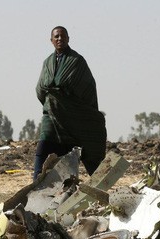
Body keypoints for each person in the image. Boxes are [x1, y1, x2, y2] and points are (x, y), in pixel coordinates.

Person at [34, 26, 107, 180]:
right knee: (42, 148)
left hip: (71, 116)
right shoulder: (47, 62)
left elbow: (87, 88)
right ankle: (36, 183)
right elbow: (40, 88)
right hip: (51, 115)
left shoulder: (77, 61)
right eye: (56, 37)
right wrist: (52, 103)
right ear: (51, 40)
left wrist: (69, 104)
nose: (60, 39)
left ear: (68, 39)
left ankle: (64, 189)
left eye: (62, 36)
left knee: (65, 153)